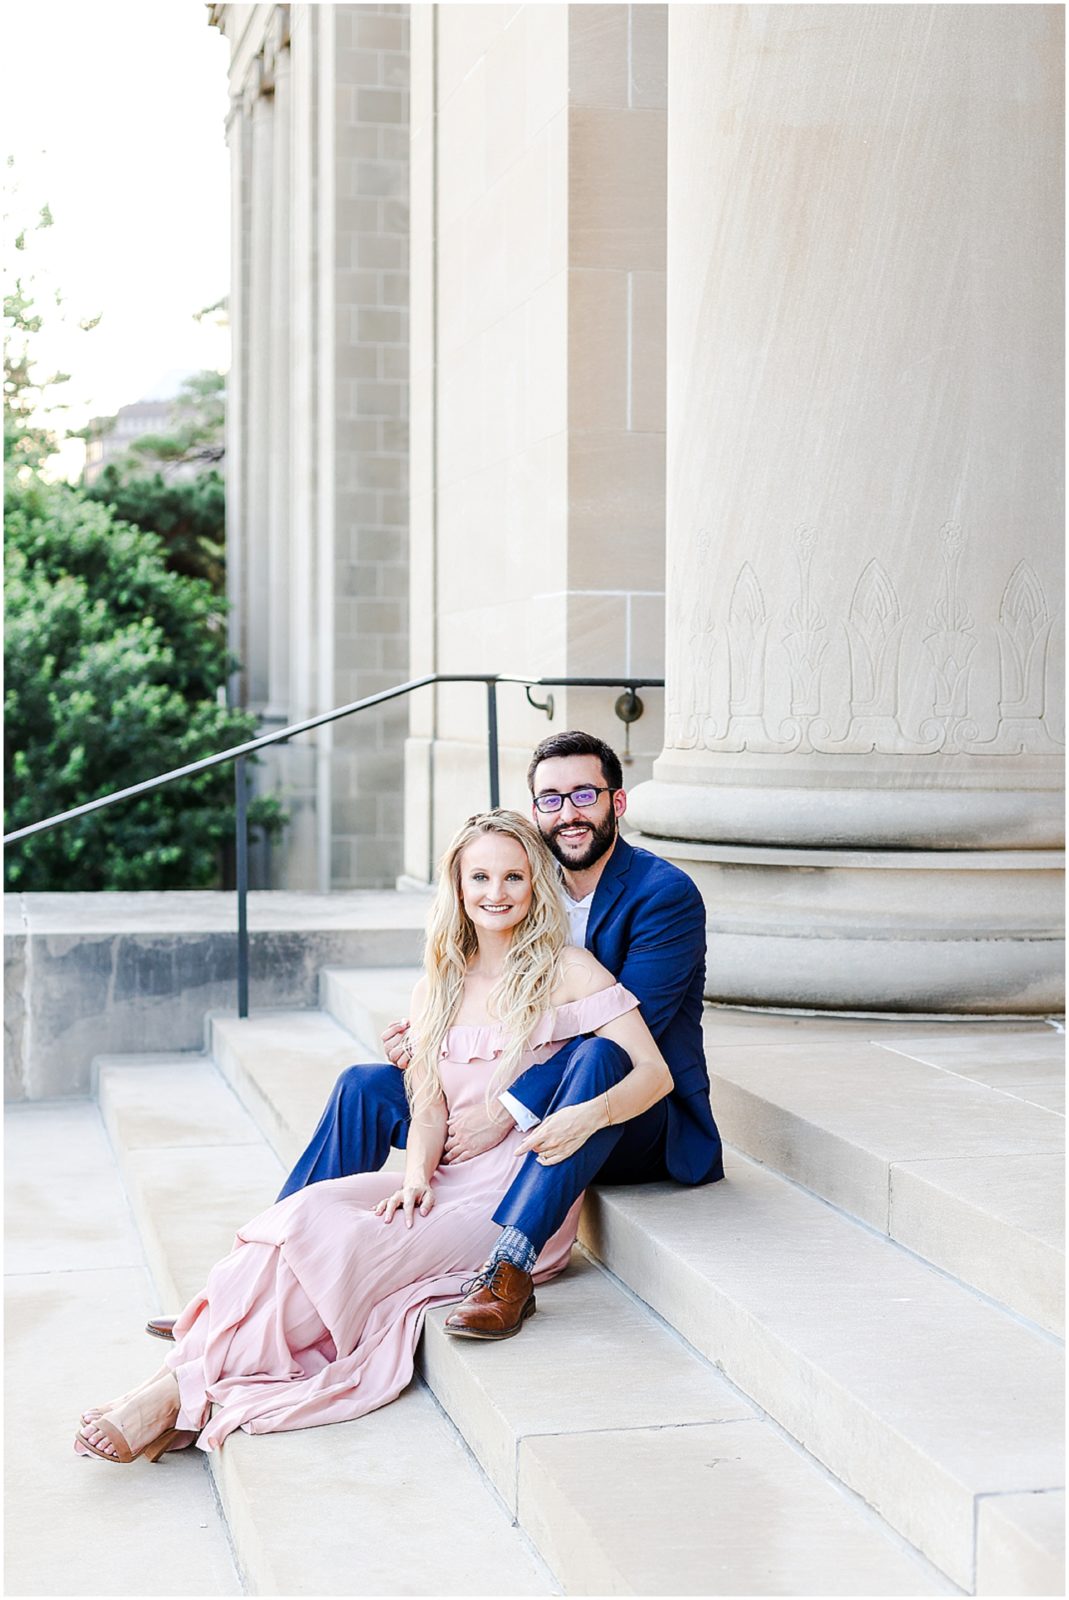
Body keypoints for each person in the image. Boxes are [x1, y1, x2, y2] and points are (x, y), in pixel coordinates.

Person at [75, 810, 672, 1462]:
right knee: (307, 1215)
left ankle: (167, 1395)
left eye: (512, 877)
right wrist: (416, 1177)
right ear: (457, 883)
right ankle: (172, 1386)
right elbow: (428, 1109)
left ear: (534, 886)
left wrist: (589, 1114)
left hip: (513, 1191)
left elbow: (652, 1073)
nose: (495, 893)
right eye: (479, 876)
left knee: (349, 1242)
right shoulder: (436, 986)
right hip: (446, 1177)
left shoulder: (568, 969)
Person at [144, 729, 724, 1346]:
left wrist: (504, 1108)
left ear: (618, 802)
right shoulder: (528, 878)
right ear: (536, 812)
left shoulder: (664, 896)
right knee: (366, 1086)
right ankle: (255, 1270)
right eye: (551, 799)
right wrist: (434, 1043)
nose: (568, 812)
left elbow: (631, 1043)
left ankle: (508, 1268)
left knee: (601, 1054)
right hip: (529, 1102)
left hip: (632, 1121)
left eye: (584, 794)